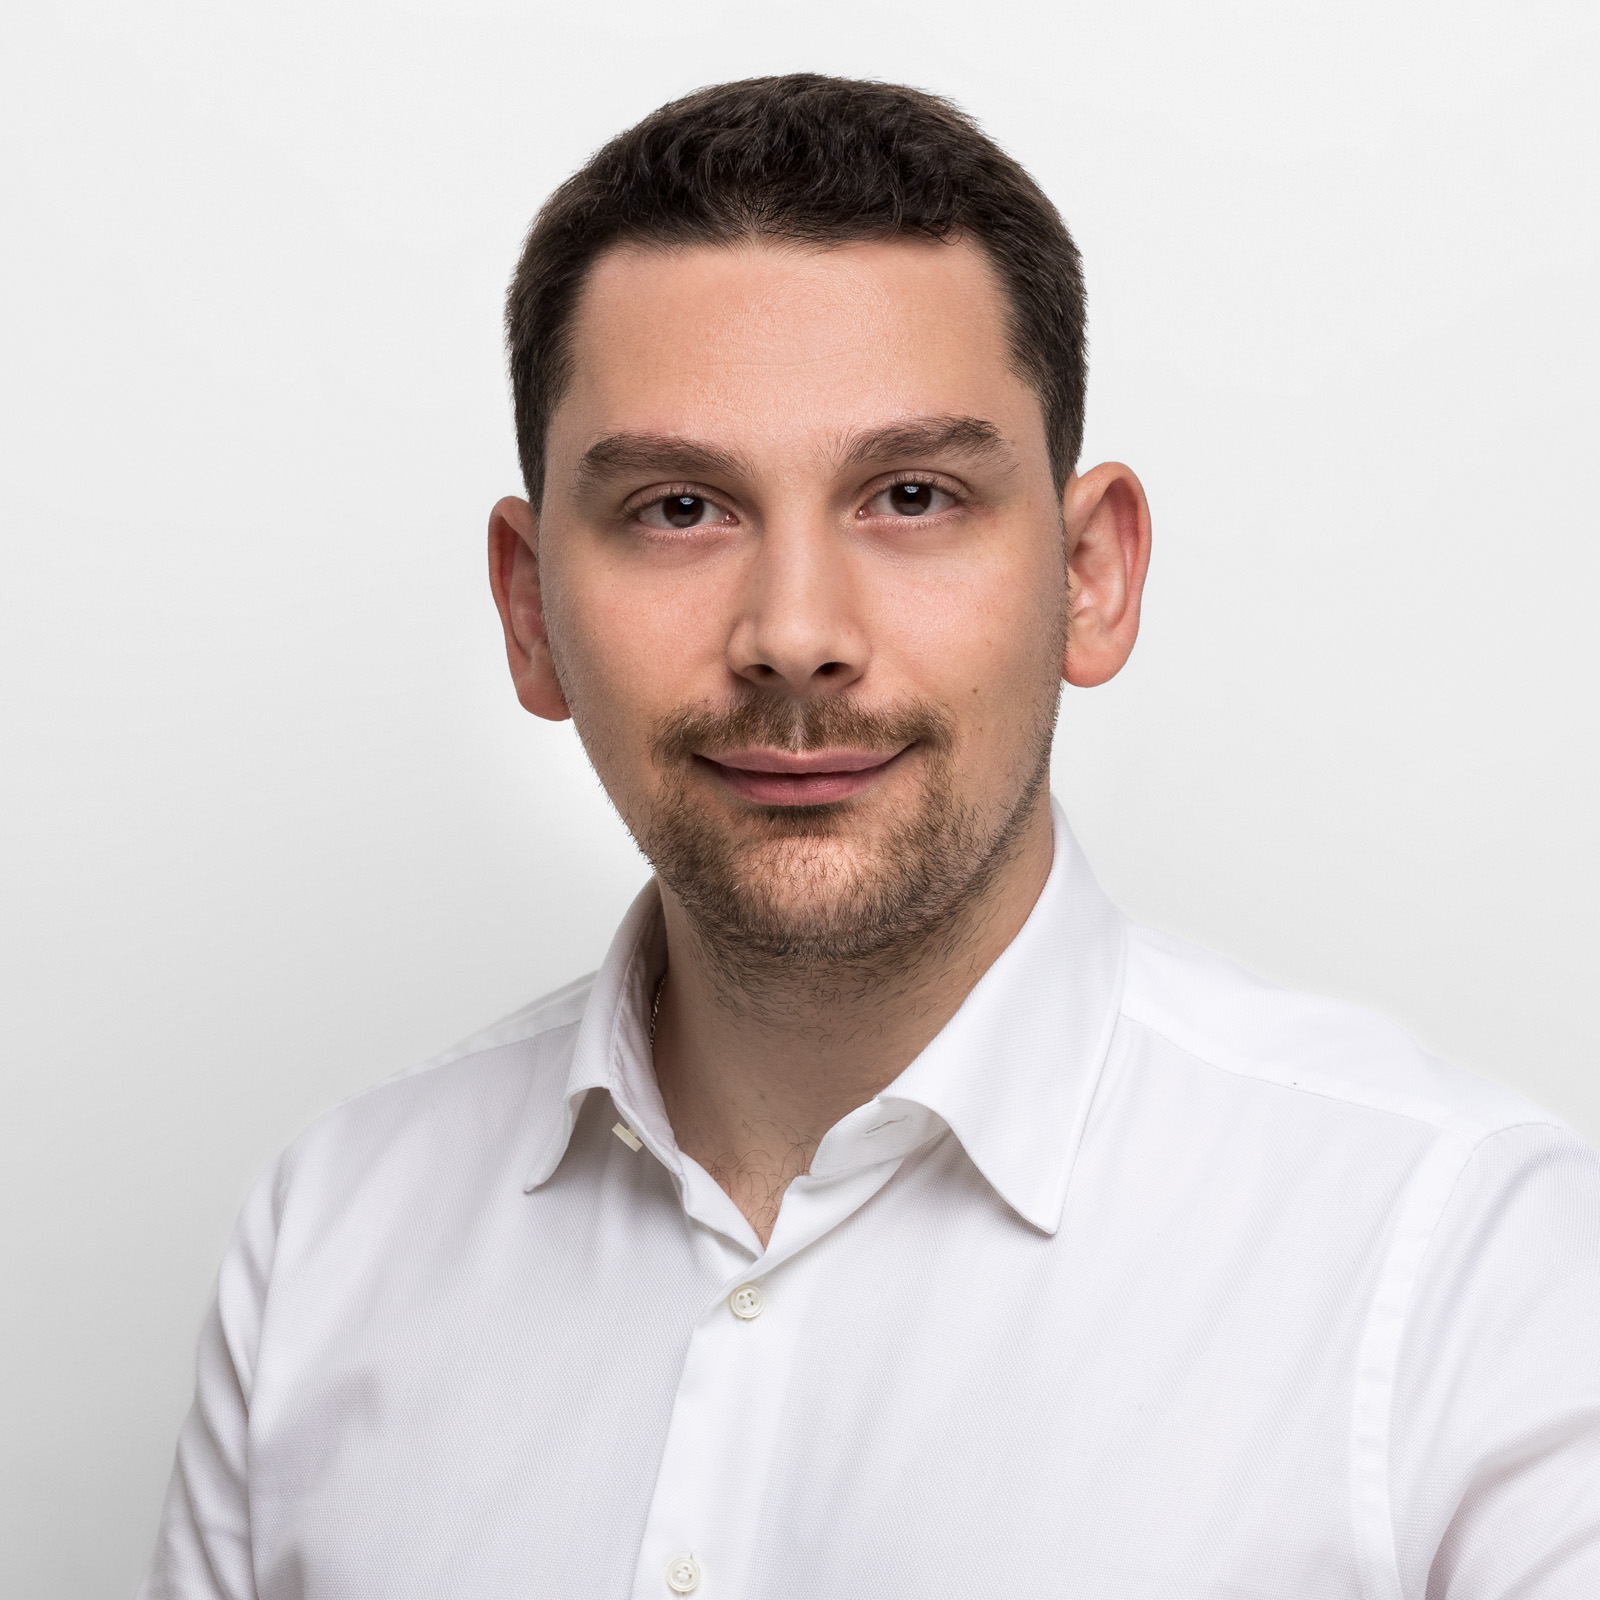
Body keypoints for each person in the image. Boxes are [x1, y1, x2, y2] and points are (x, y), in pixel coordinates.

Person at [140, 74, 1600, 1599]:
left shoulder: (1463, 1266)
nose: (794, 634)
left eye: (911, 495)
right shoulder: (331, 1239)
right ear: (529, 613)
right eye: (679, 509)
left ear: (1092, 577)